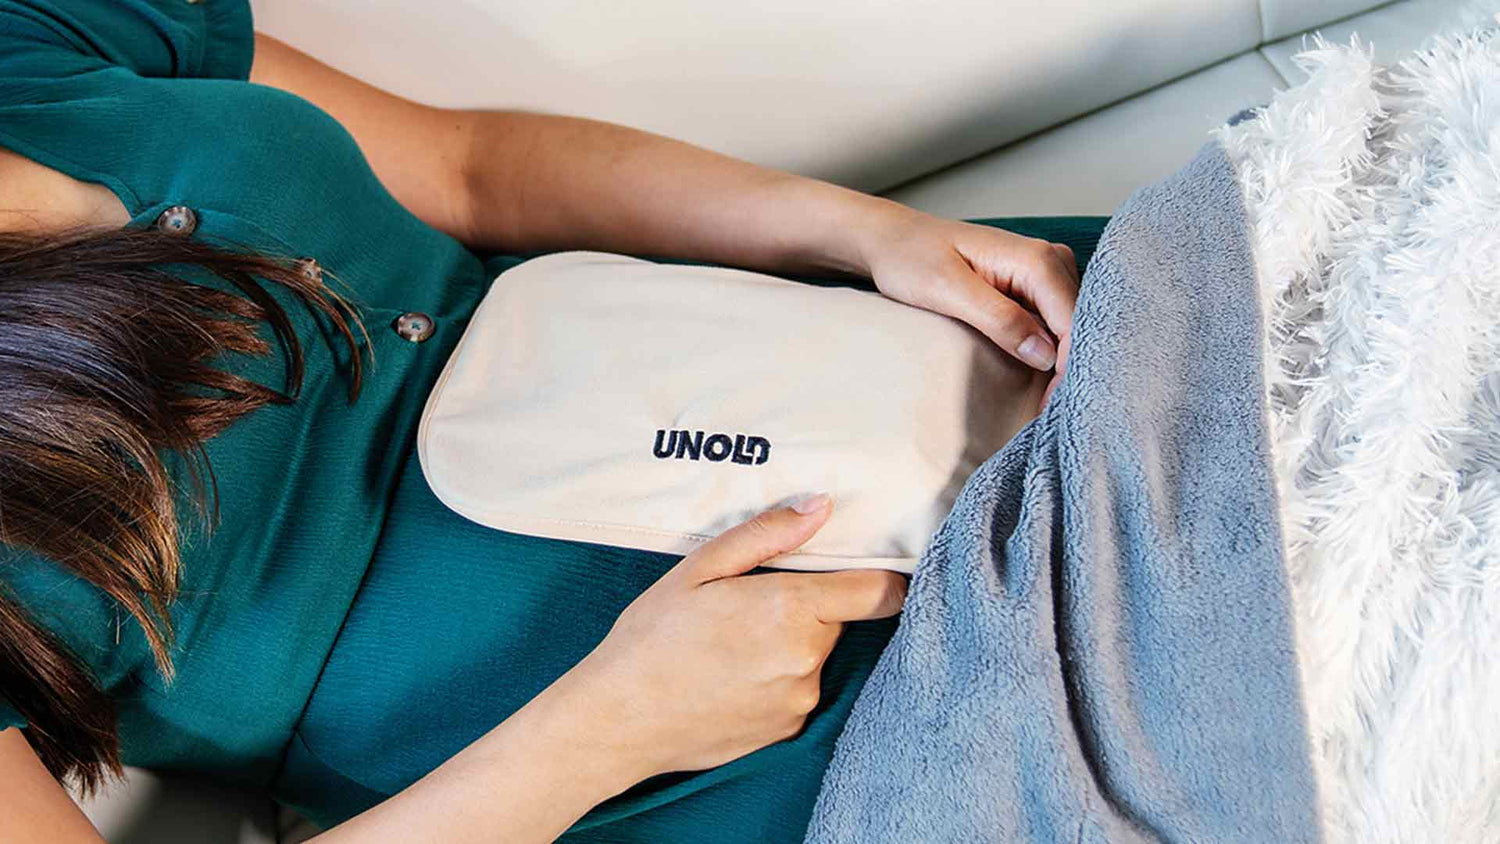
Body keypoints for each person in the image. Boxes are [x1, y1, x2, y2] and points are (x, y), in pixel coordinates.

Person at [0, 1, 1106, 841]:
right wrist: (617, 727)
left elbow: (469, 168)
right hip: (648, 717)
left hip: (770, 355)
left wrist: (867, 234)